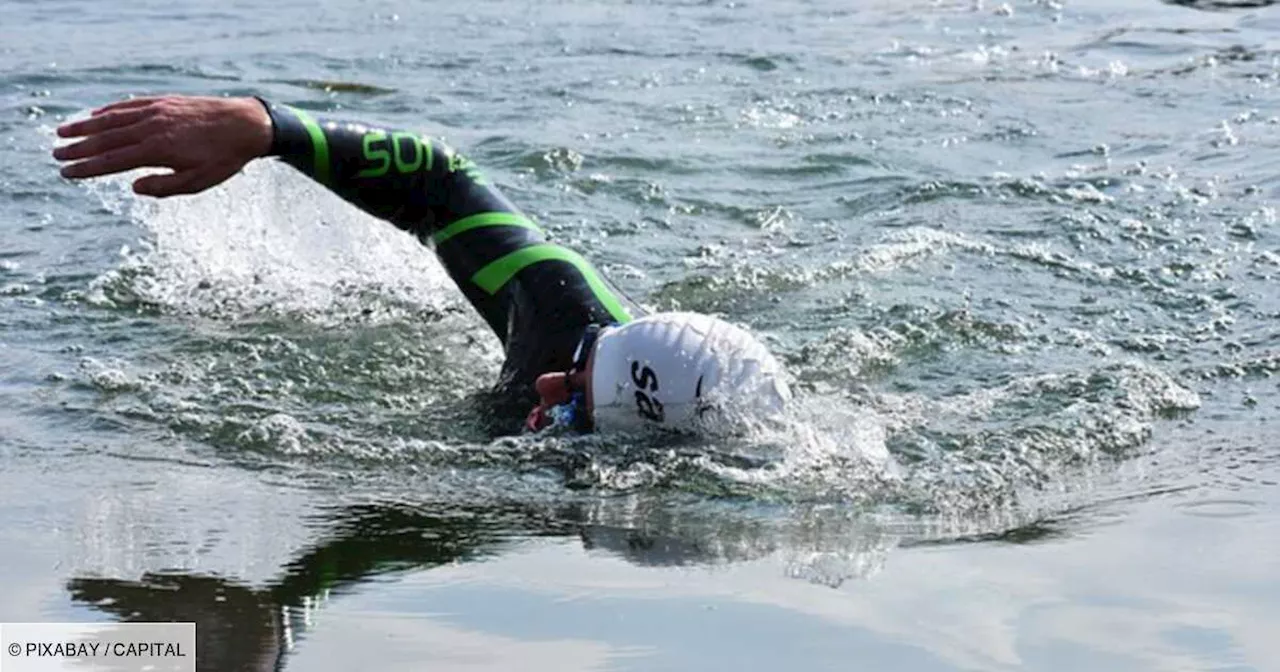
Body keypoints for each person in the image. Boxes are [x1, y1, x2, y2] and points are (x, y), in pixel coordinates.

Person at [51, 95, 791, 434]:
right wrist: (270, 128)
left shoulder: (606, 491)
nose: (544, 380)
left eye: (570, 402)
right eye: (579, 362)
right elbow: (440, 182)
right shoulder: (565, 316)